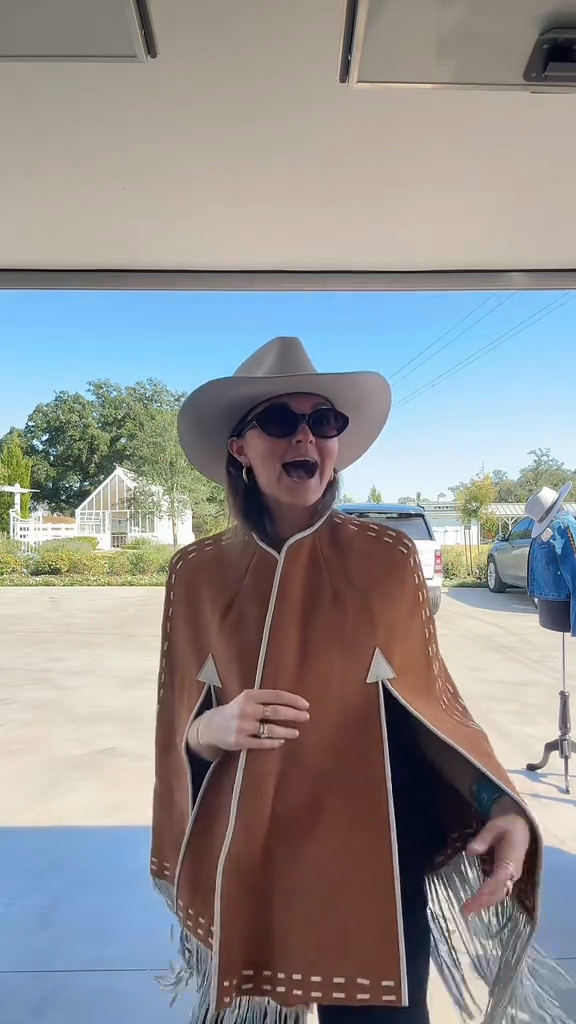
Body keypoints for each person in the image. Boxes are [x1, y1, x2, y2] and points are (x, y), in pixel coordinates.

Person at [151, 337, 568, 1024]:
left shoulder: (387, 560)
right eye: (279, 420)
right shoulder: (196, 574)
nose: (305, 436)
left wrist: (496, 802)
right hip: (250, 859)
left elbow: (428, 709)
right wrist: (210, 730)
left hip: (372, 864)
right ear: (239, 448)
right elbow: (176, 730)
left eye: (323, 420)